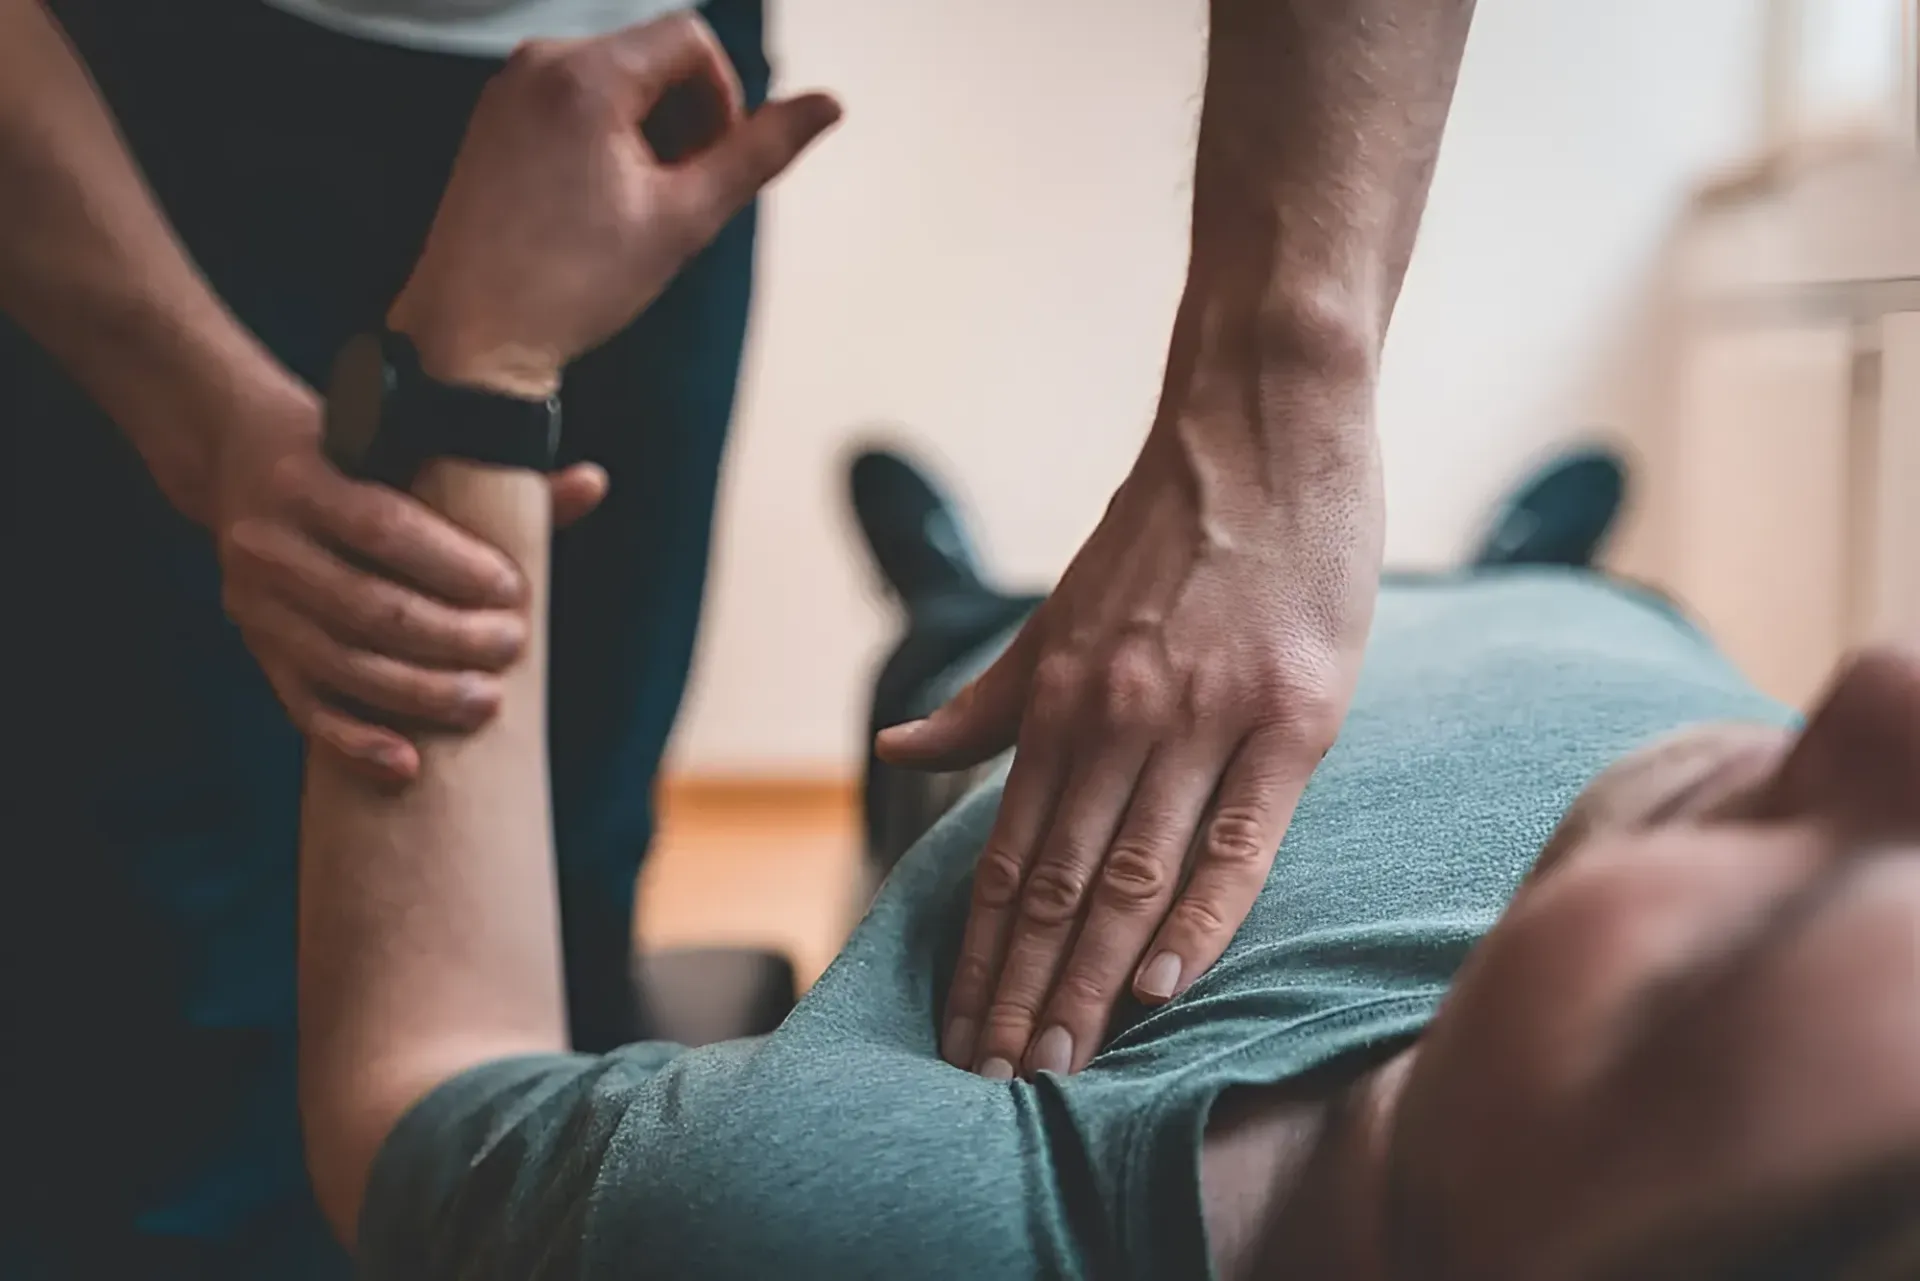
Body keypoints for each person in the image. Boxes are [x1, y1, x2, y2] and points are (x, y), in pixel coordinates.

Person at [297, 25, 1920, 1277]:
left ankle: (941, 593)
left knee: (953, 674)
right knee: (1567, 595)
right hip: (1577, 633)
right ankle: (1524, 562)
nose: (1881, 687)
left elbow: (415, 1086)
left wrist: (477, 362)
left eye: (1753, 934)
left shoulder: (878, 1217)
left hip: (1040, 671)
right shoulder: (1679, 878)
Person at [2, 0, 1480, 1271]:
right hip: (127, 100)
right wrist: (1289, 389)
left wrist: (478, 364)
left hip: (609, 74)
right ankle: (965, 598)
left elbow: (442, 1109)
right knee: (140, 955)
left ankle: (947, 600)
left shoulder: (820, 1209)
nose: (1726, 799)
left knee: (539, 865)